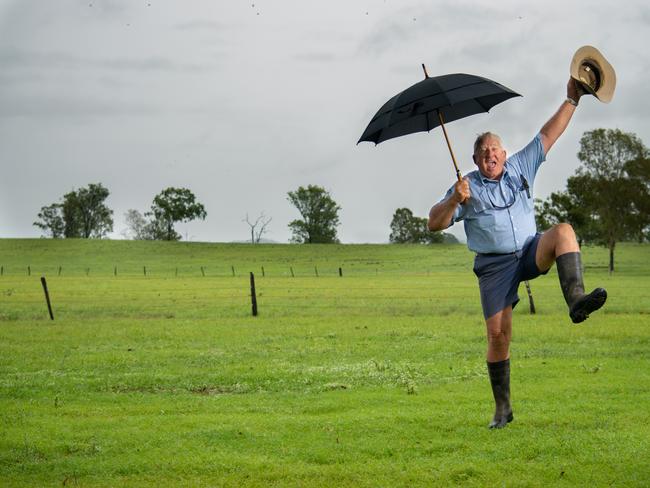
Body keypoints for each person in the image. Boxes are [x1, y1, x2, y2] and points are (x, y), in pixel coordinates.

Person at [427, 78, 607, 429]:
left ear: (504, 154)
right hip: (494, 267)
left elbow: (548, 135)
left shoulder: (521, 168)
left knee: (564, 232)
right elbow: (434, 223)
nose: (490, 155)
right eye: (483, 152)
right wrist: (453, 199)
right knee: (498, 336)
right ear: (475, 160)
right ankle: (503, 408)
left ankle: (576, 301)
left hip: (528, 251)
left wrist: (572, 100)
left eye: (495, 149)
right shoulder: (466, 188)